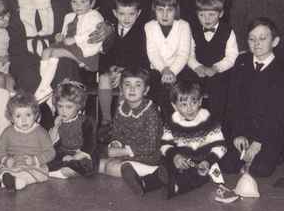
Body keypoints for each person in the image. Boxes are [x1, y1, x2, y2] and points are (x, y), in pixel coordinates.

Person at [0, 0, 110, 128]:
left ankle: (71, 129)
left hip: (58, 50)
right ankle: (37, 129)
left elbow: (94, 12)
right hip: (23, 53)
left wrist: (108, 29)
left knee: (66, 73)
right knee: (30, 76)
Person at [222, 18, 284, 178]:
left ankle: (278, 151)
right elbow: (234, 102)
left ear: (275, 41)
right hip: (244, 130)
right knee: (227, 165)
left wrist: (258, 143)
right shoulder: (241, 62)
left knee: (260, 170)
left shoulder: (281, 69)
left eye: (262, 38)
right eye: (252, 39)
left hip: (268, 132)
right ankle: (245, 156)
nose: (256, 43)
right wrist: (238, 134)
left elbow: (277, 113)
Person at [98, 68, 164, 197]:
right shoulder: (122, 108)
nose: (132, 89)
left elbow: (150, 146)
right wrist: (116, 143)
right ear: (121, 89)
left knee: (111, 168)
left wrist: (124, 151)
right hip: (126, 153)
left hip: (148, 156)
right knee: (99, 165)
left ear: (146, 90)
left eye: (138, 85)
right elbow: (116, 132)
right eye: (127, 85)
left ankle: (156, 171)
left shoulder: (151, 112)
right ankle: (129, 168)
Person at [35, 0, 104, 101]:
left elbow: (92, 34)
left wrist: (75, 39)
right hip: (69, 47)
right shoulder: (69, 16)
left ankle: (43, 89)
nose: (78, 6)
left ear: (92, 3)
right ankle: (46, 86)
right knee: (46, 52)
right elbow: (65, 33)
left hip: (85, 52)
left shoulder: (94, 15)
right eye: (74, 2)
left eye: (83, 2)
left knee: (56, 53)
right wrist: (60, 37)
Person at [161, 79, 227, 198]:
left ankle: (178, 186)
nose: (190, 108)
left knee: (202, 174)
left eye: (194, 102)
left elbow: (220, 146)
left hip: (202, 160)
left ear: (200, 101)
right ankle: (148, 182)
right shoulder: (171, 122)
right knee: (165, 163)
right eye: (184, 104)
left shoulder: (208, 120)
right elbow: (165, 144)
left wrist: (208, 161)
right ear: (174, 106)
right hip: (181, 158)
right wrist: (175, 156)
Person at [97, 0, 149, 139]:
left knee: (125, 83)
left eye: (131, 14)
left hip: (134, 73)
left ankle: (121, 122)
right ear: (114, 13)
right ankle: (107, 120)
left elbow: (141, 58)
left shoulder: (142, 32)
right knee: (103, 78)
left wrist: (124, 72)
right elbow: (104, 55)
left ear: (138, 13)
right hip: (114, 73)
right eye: (122, 14)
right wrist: (110, 70)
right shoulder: (110, 31)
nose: (126, 18)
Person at [187, 0, 238, 126]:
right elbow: (188, 53)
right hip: (198, 72)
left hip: (220, 73)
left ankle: (217, 126)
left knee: (220, 95)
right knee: (190, 92)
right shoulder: (193, 30)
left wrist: (216, 68)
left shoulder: (228, 31)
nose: (206, 19)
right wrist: (196, 66)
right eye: (202, 15)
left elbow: (232, 56)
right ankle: (193, 125)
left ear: (220, 14)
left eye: (211, 14)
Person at [0, 94, 55, 191]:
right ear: (11, 118)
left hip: (34, 166)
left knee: (31, 175)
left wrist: (36, 160)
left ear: (35, 115)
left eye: (28, 115)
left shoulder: (41, 132)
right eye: (18, 116)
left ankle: (18, 182)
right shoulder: (7, 132)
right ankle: (2, 181)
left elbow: (50, 152)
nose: (24, 120)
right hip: (13, 165)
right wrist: (5, 159)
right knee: (4, 171)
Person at [145, 0, 193, 106]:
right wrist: (164, 70)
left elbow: (183, 53)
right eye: (160, 10)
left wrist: (172, 72)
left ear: (176, 10)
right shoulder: (149, 26)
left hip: (179, 69)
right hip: (157, 69)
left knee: (178, 91)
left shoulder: (183, 25)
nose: (164, 15)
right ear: (154, 9)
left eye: (169, 10)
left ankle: (173, 122)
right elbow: (152, 52)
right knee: (156, 90)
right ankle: (159, 121)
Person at [47, 80, 98, 178]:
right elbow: (51, 142)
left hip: (82, 153)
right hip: (64, 152)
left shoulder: (86, 121)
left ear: (78, 106)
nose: (63, 110)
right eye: (60, 106)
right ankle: (60, 170)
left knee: (85, 165)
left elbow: (90, 143)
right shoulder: (57, 121)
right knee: (49, 160)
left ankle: (63, 171)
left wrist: (75, 157)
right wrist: (56, 126)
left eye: (69, 107)